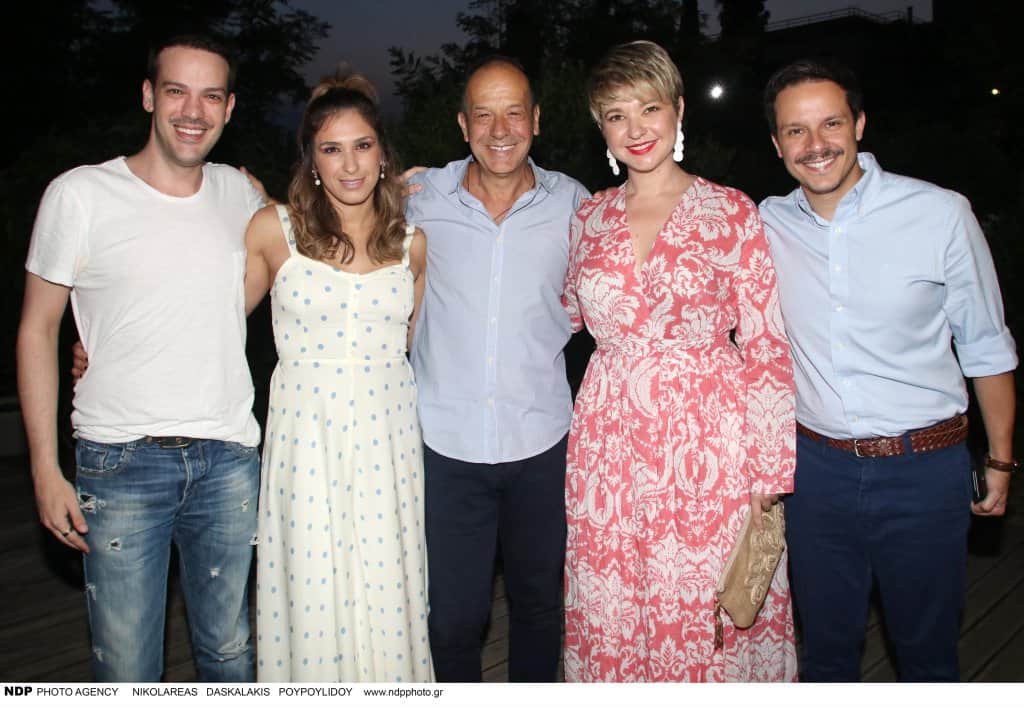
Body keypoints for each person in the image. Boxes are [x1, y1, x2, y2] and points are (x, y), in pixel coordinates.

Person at [759, 59, 1017, 682]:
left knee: (927, 655)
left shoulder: (940, 213)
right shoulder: (764, 224)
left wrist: (1002, 461)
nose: (815, 144)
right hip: (814, 475)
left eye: (830, 124)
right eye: (795, 130)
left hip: (923, 471)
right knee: (826, 655)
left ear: (859, 124)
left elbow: (986, 346)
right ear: (776, 144)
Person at [17, 35, 263, 682]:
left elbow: (281, 270)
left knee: (231, 657)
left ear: (229, 108)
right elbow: (38, 328)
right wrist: (44, 467)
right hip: (119, 462)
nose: (193, 111)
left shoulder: (241, 198)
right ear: (149, 96)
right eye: (177, 91)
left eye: (211, 96)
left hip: (228, 460)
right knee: (127, 671)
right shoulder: (80, 194)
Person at [562, 40, 797, 682]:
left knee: (703, 600)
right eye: (617, 115)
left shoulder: (731, 211)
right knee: (613, 598)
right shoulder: (589, 217)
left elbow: (767, 344)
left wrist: (770, 469)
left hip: (709, 444)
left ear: (679, 111)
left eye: (650, 108)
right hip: (609, 444)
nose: (636, 129)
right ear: (602, 128)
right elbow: (567, 314)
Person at [242, 69, 431, 683]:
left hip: (387, 442)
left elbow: (409, 344)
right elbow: (211, 323)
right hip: (306, 442)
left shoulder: (412, 245)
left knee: (387, 584)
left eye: (362, 146)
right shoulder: (274, 231)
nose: (350, 165)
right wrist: (104, 346)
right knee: (313, 589)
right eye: (331, 148)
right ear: (312, 160)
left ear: (383, 154)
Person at [404, 56, 589, 682]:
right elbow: (337, 220)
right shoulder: (419, 198)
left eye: (514, 113)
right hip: (445, 445)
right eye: (484, 114)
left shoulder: (574, 204)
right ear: (463, 125)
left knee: (538, 607)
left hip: (541, 442)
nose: (500, 129)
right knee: (453, 621)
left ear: (536, 120)